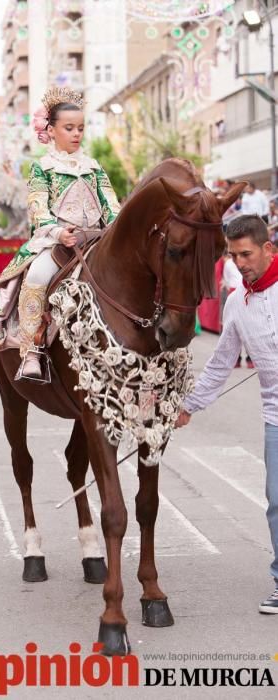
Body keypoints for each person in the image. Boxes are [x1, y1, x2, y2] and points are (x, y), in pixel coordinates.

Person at [0, 85, 121, 379]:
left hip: (97, 239)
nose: (76, 134)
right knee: (37, 276)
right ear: (51, 130)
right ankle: (32, 350)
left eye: (80, 128)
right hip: (56, 242)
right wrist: (58, 233)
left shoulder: (95, 168)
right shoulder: (42, 167)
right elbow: (38, 210)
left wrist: (117, 231)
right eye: (69, 127)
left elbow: (113, 207)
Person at [176, 214, 278, 614]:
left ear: (269, 249)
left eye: (247, 254)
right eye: (233, 256)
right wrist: (188, 405)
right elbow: (221, 363)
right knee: (277, 501)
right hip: (276, 418)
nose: (240, 263)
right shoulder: (236, 303)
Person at [221, 252, 253, 368]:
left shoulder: (229, 263)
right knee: (244, 327)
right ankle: (246, 359)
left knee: (236, 326)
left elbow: (226, 280)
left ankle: (238, 359)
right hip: (243, 291)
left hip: (240, 291)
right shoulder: (245, 261)